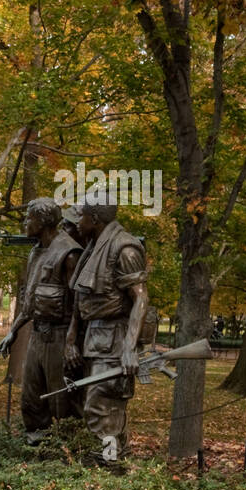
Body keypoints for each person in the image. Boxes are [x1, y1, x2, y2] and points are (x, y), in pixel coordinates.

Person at [64, 197, 149, 463]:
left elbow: (141, 299)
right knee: (91, 405)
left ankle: (109, 469)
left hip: (114, 341)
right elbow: (81, 300)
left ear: (95, 219)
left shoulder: (124, 250)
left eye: (81, 217)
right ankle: (107, 465)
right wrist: (71, 340)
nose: (76, 222)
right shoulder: (92, 248)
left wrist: (129, 349)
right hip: (94, 339)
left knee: (102, 407)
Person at [0, 198, 83, 444]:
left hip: (59, 336)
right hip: (37, 335)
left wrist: (70, 342)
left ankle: (68, 453)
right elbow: (31, 302)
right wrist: (12, 332)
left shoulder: (69, 253)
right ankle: (37, 450)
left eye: (29, 217)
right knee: (31, 398)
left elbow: (79, 303)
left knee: (61, 401)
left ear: (44, 222)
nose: (25, 222)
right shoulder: (36, 252)